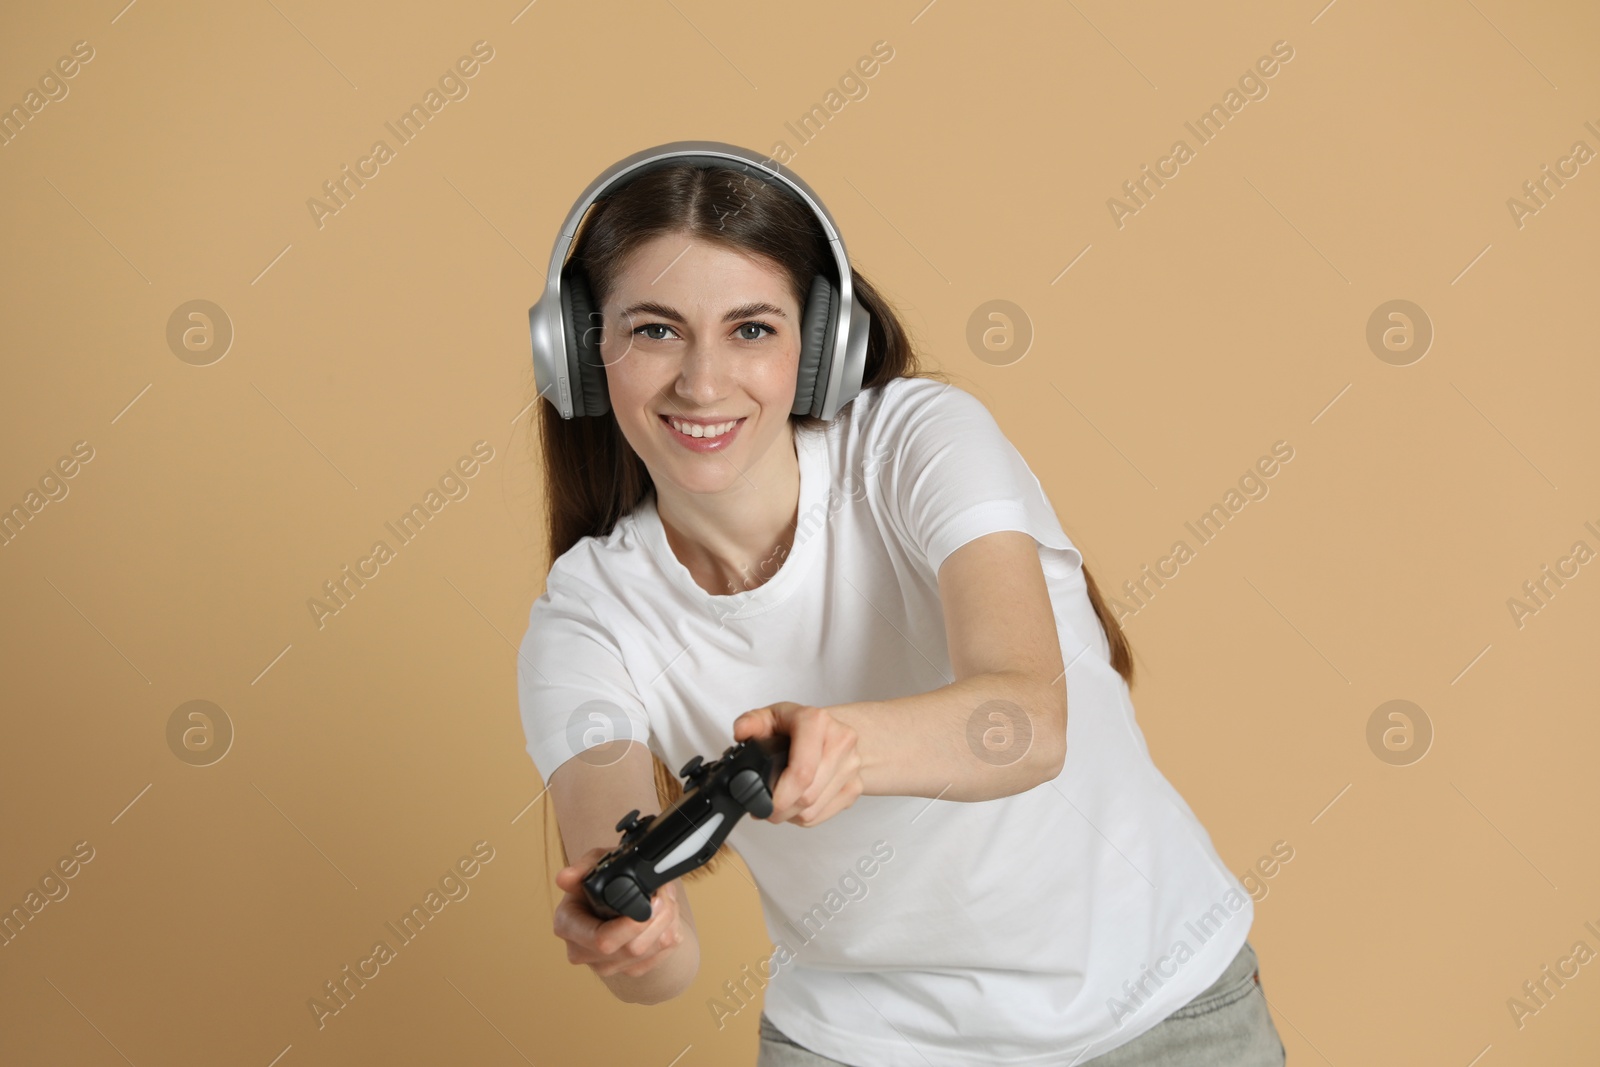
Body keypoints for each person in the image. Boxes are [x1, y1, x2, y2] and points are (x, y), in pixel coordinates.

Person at [518, 148, 1287, 1066]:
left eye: (752, 329)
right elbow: (658, 947)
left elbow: (1028, 724)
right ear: (581, 351)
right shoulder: (585, 616)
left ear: (818, 344)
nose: (704, 381)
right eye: (655, 330)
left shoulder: (917, 443)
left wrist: (844, 745)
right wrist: (631, 940)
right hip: (862, 1045)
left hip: (1161, 1010)